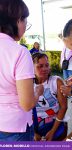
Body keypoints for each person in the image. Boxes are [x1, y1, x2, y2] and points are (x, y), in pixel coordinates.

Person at [0, 0, 43, 141]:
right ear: (18, 21)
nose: (25, 27)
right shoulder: (19, 52)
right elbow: (27, 104)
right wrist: (37, 92)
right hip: (15, 129)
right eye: (25, 21)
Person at [32, 52, 67, 141]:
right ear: (31, 68)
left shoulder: (56, 82)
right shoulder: (27, 84)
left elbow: (63, 107)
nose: (45, 69)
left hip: (55, 123)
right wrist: (32, 133)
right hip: (32, 125)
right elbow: (22, 111)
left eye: (47, 65)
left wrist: (52, 131)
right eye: (40, 66)